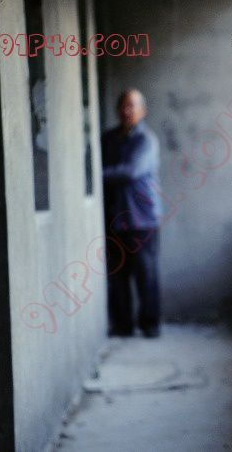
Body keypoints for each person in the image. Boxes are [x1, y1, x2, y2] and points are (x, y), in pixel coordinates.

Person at [101, 88, 162, 338]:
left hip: (142, 219)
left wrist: (97, 175)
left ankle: (150, 325)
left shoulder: (146, 140)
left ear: (142, 111)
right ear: (118, 110)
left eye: (132, 106)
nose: (127, 111)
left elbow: (130, 171)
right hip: (116, 218)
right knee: (117, 275)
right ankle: (123, 326)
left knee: (146, 274)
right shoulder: (108, 138)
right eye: (124, 106)